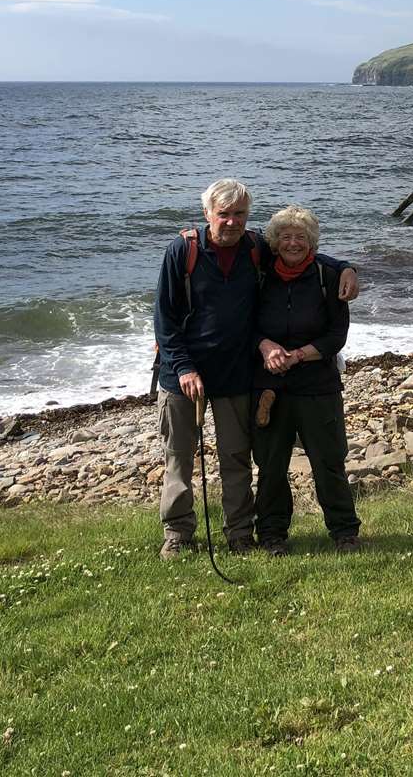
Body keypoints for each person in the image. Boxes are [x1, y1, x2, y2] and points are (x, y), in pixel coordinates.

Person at [153, 179, 358, 560]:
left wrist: (346, 267)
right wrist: (183, 367)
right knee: (179, 458)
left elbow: (301, 252)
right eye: (224, 214)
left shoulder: (254, 247)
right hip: (184, 375)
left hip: (235, 374)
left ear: (249, 218)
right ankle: (178, 533)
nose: (231, 222)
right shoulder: (183, 250)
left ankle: (240, 533)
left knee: (236, 459)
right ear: (207, 214)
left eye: (240, 214)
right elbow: (164, 320)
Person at [251, 205, 361, 555]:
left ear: (311, 241)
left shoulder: (328, 275)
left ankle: (344, 532)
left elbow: (336, 336)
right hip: (269, 386)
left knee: (328, 461)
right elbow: (243, 323)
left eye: (301, 237)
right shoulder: (258, 274)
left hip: (318, 384)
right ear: (274, 242)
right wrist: (265, 346)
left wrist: (297, 355)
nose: (293, 243)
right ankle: (272, 535)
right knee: (270, 465)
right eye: (285, 237)